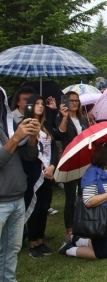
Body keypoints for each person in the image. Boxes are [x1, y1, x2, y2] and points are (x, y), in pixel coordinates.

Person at [59, 142, 107, 259]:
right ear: (103, 155)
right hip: (101, 217)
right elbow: (88, 201)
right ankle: (68, 249)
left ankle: (78, 240)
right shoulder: (91, 172)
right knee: (102, 254)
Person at [0, 86, 40, 282]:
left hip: (16, 196)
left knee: (11, 249)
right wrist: (16, 138)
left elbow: (29, 157)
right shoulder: (13, 130)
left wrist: (32, 137)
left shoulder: (8, 125)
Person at [22, 95, 59, 258]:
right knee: (35, 208)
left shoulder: (46, 126)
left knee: (44, 207)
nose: (40, 106)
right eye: (36, 104)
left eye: (42, 104)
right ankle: (32, 243)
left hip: (48, 172)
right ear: (29, 107)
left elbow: (54, 147)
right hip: (34, 172)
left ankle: (40, 240)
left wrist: (52, 166)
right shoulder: (25, 125)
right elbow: (25, 152)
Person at [56, 91, 90, 241]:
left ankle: (82, 224)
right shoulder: (61, 118)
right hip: (70, 160)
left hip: (84, 160)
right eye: (71, 100)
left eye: (76, 100)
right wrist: (64, 117)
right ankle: (69, 229)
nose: (74, 103)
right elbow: (60, 134)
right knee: (70, 197)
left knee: (84, 194)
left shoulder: (83, 120)